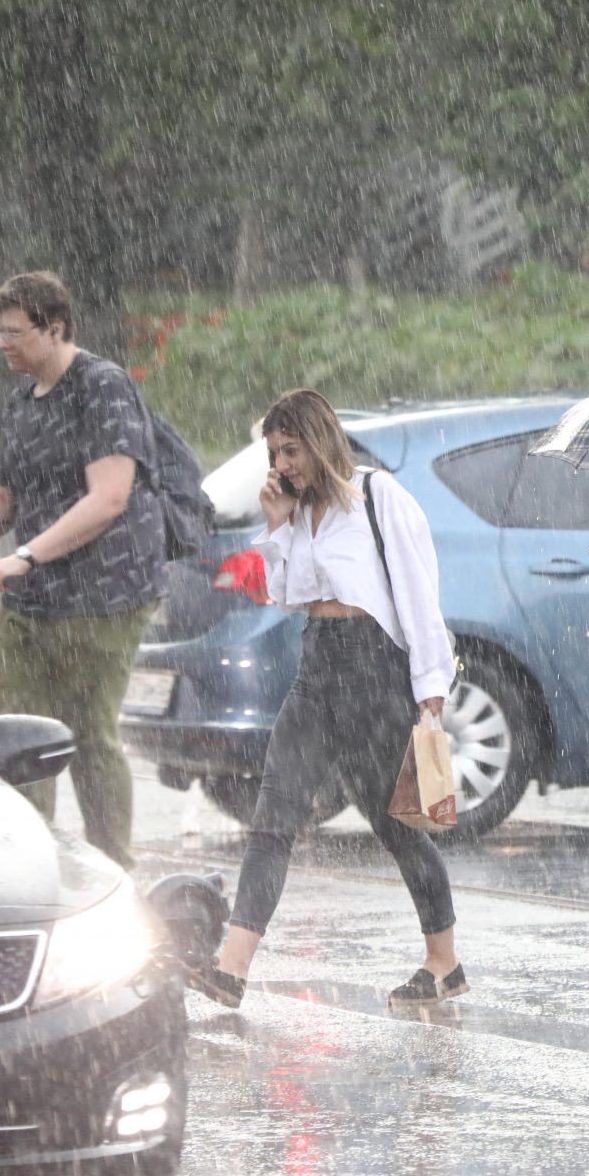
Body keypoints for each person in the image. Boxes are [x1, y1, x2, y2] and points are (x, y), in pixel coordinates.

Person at [188, 389, 463, 1009]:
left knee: (398, 827)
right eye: (275, 453)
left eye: (292, 450)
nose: (283, 464)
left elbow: (420, 593)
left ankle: (443, 960)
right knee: (273, 817)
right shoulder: (297, 508)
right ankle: (231, 969)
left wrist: (431, 690)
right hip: (317, 667)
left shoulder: (377, 496)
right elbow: (289, 595)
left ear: (320, 441)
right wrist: (279, 526)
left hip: (376, 673)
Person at [0, 271, 166, 870]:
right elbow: (5, 500)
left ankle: (111, 871)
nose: (2, 343)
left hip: (104, 594)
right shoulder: (22, 402)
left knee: (88, 733)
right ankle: (30, 865)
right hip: (32, 596)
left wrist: (23, 556)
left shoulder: (101, 387)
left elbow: (109, 497)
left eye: (14, 332)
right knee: (19, 735)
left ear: (56, 328)